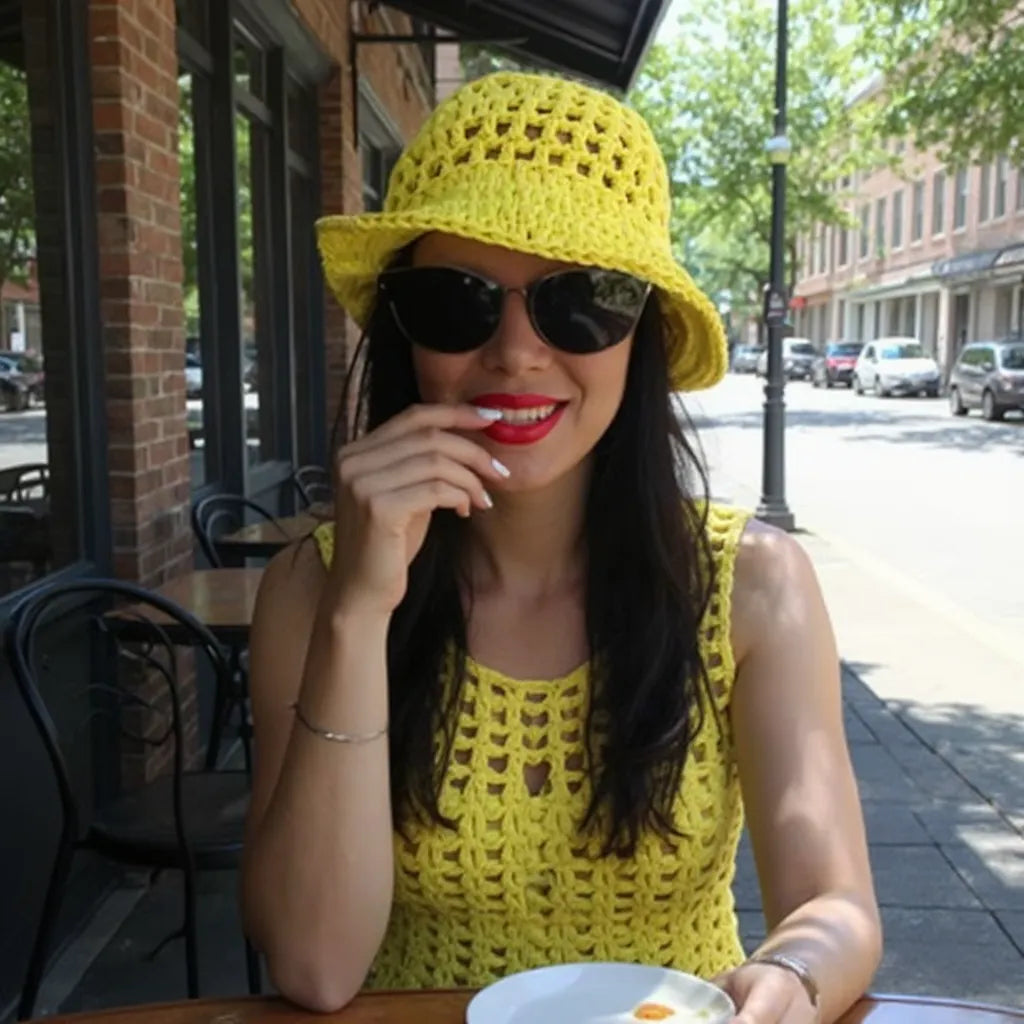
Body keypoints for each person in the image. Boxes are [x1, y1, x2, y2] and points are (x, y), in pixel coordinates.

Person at [240, 71, 881, 1022]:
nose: (515, 351)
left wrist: (791, 976)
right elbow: (315, 965)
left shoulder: (750, 586)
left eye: (582, 300)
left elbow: (836, 906)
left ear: (642, 333)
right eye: (455, 300)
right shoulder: (312, 589)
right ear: (404, 332)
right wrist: (359, 615)